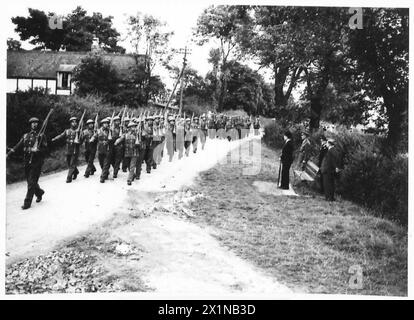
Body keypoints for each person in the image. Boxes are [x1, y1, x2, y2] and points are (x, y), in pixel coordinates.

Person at [7, 117, 48, 210]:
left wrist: (37, 150)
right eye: (33, 123)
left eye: (36, 123)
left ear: (38, 124)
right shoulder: (26, 135)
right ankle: (39, 192)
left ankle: (27, 203)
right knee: (30, 182)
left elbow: (45, 149)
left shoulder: (41, 136)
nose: (34, 124)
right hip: (27, 161)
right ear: (30, 124)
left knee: (31, 182)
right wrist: (8, 154)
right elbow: (18, 145)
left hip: (37, 162)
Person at [51, 116, 81, 183]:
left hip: (75, 149)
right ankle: (75, 171)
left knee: (72, 163)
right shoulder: (67, 131)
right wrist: (55, 138)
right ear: (70, 123)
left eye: (75, 122)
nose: (74, 123)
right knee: (69, 163)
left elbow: (81, 140)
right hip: (68, 149)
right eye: (72, 122)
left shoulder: (78, 131)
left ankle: (69, 178)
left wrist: (79, 134)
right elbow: (61, 135)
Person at [94, 118, 113, 183]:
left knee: (106, 163)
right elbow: (95, 136)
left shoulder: (110, 131)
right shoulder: (98, 131)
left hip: (107, 149)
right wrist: (92, 139)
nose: (106, 124)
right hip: (100, 148)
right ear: (102, 124)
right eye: (104, 123)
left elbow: (113, 138)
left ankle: (102, 177)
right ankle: (106, 173)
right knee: (101, 163)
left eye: (107, 123)